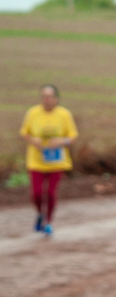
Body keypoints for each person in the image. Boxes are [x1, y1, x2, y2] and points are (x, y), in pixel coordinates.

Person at [19, 84, 78, 236]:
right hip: (36, 160)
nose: (47, 100)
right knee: (37, 193)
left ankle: (49, 221)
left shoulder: (64, 114)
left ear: (56, 99)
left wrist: (61, 141)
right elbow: (24, 132)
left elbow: (72, 136)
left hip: (57, 161)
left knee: (51, 193)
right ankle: (40, 213)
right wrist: (34, 141)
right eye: (44, 97)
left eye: (50, 96)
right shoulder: (33, 113)